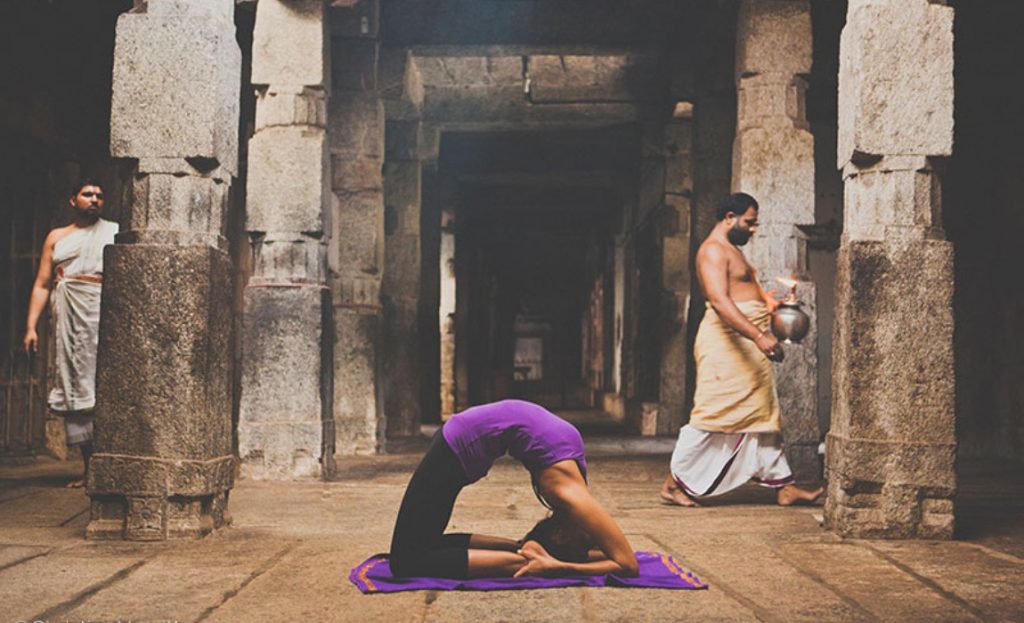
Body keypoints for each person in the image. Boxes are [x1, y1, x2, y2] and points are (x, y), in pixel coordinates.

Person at [659, 192, 823, 507]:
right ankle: (673, 483)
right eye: (749, 222)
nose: (753, 228)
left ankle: (783, 486)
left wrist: (770, 302)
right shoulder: (712, 251)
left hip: (745, 344)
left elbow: (745, 290)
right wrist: (759, 335)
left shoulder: (731, 250)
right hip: (726, 343)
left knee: (762, 413)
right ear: (729, 217)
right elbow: (720, 302)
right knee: (712, 413)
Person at [388, 399, 638, 579]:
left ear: (559, 535)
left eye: (585, 546)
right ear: (560, 536)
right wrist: (565, 564)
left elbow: (625, 563)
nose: (593, 540)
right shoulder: (568, 494)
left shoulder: (567, 492)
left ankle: (525, 557)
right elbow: (628, 563)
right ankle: (523, 550)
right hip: (462, 438)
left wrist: (556, 566)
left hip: (461, 440)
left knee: (404, 562)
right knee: (419, 548)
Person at [23, 178, 118, 488]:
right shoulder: (57, 237)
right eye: (87, 194)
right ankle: (89, 468)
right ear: (72, 200)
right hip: (67, 318)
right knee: (74, 383)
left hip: (101, 313)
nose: (94, 199)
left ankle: (108, 467)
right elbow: (41, 283)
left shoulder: (114, 233)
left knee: (103, 384)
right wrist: (30, 327)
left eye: (99, 196)